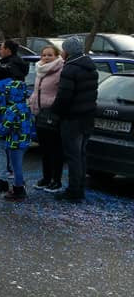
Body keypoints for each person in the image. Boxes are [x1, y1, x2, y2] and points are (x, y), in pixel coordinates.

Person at [50, 36, 98, 203]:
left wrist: (54, 113)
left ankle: (73, 190)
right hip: (87, 118)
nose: (62, 52)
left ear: (68, 51)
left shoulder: (70, 69)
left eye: (63, 49)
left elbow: (64, 97)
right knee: (81, 154)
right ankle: (80, 187)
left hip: (72, 119)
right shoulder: (90, 67)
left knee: (73, 156)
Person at [0, 65, 36, 200]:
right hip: (23, 140)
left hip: (7, 133)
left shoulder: (0, 92)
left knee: (0, 153)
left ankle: (9, 183)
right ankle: (17, 184)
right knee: (16, 164)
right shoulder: (25, 107)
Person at [28, 44, 64, 191]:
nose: (46, 58)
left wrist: (54, 107)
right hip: (39, 113)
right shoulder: (40, 70)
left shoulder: (61, 70)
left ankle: (57, 180)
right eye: (44, 55)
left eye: (50, 55)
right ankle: (46, 177)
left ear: (57, 56)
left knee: (56, 149)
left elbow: (62, 93)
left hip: (52, 114)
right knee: (45, 149)